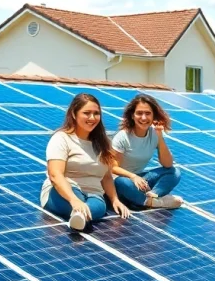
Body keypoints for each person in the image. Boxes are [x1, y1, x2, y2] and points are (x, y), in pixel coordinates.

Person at [40, 93, 131, 231]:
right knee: (80, 204)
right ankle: (79, 214)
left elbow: (106, 177)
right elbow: (55, 175)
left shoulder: (103, 143)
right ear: (74, 114)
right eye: (86, 113)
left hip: (94, 194)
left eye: (96, 113)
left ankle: (80, 217)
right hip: (64, 192)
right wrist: (74, 200)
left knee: (99, 207)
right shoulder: (61, 138)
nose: (92, 118)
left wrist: (115, 200)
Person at [111, 94, 184, 210]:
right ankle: (153, 202)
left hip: (141, 180)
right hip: (122, 181)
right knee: (121, 182)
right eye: (139, 113)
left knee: (175, 172)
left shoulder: (154, 133)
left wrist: (159, 136)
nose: (143, 118)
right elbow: (113, 168)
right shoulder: (122, 137)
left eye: (148, 113)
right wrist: (133, 177)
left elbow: (168, 164)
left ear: (154, 115)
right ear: (132, 116)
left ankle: (152, 196)